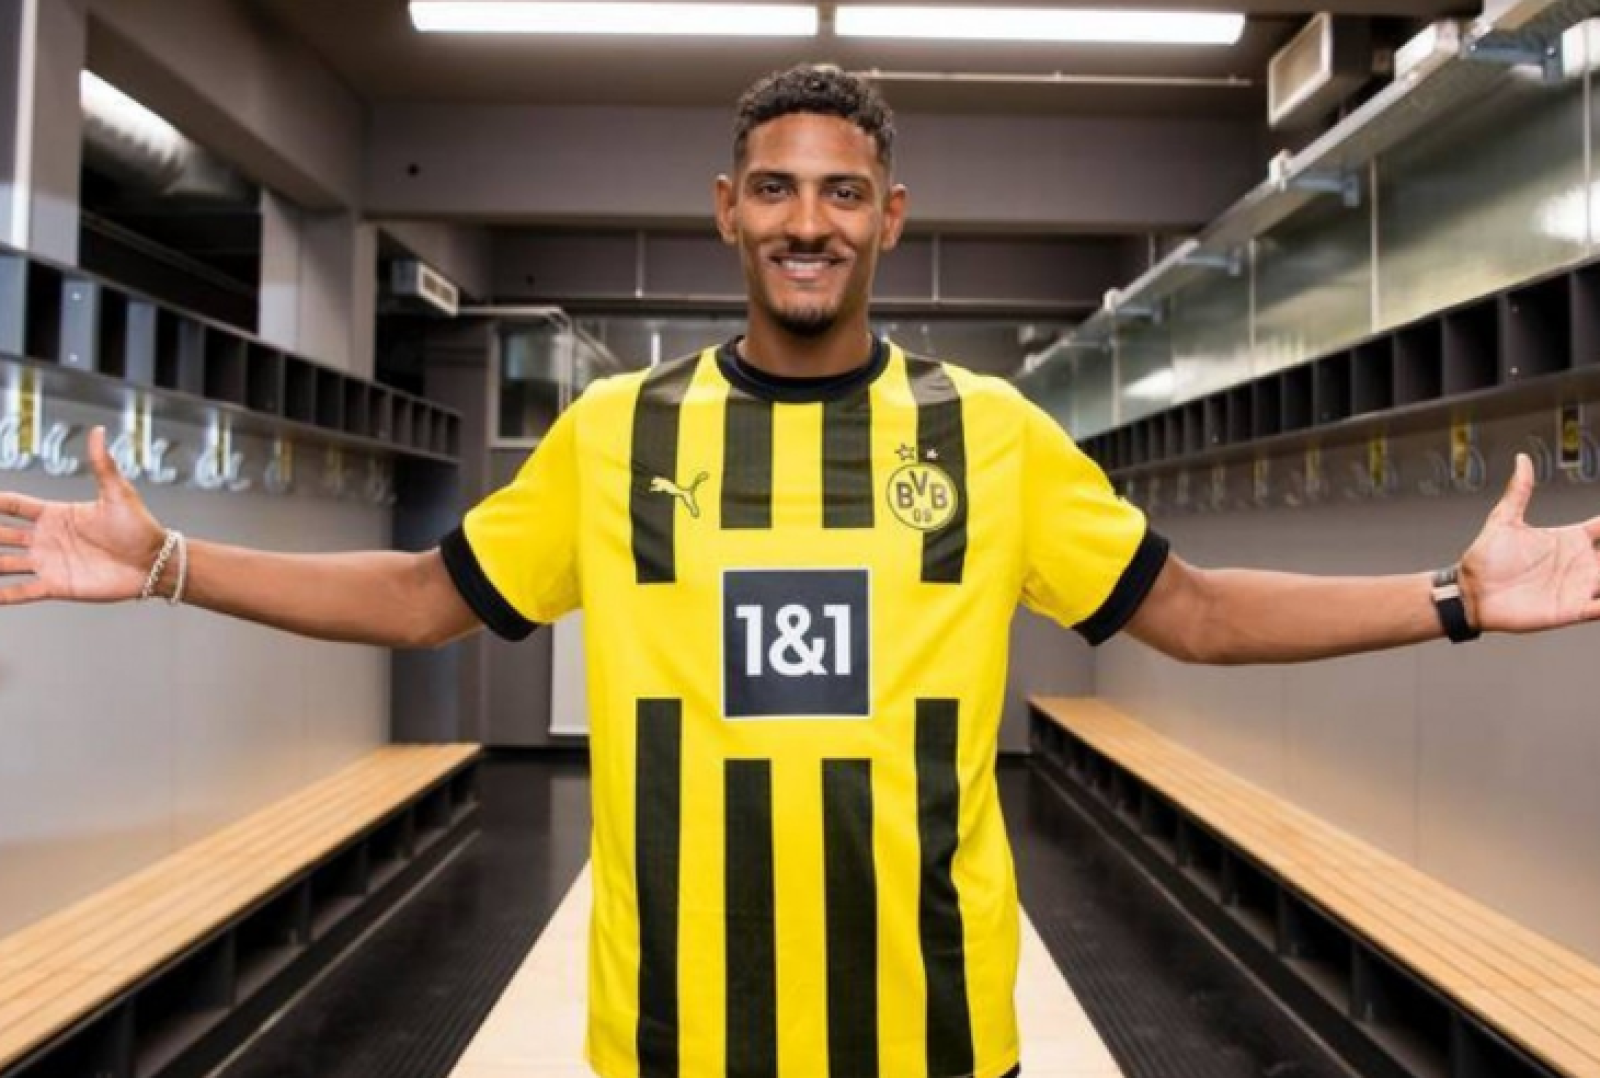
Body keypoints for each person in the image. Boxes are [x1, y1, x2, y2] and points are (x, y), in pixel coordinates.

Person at [2, 63, 1599, 1078]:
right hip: (670, 1035)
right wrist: (173, 562)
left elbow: (1195, 610)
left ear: (890, 218)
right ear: (727, 212)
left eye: (841, 191)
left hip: (934, 1029)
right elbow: (426, 595)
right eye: (775, 187)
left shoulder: (993, 434)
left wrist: (1452, 599)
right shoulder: (616, 435)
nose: (807, 220)